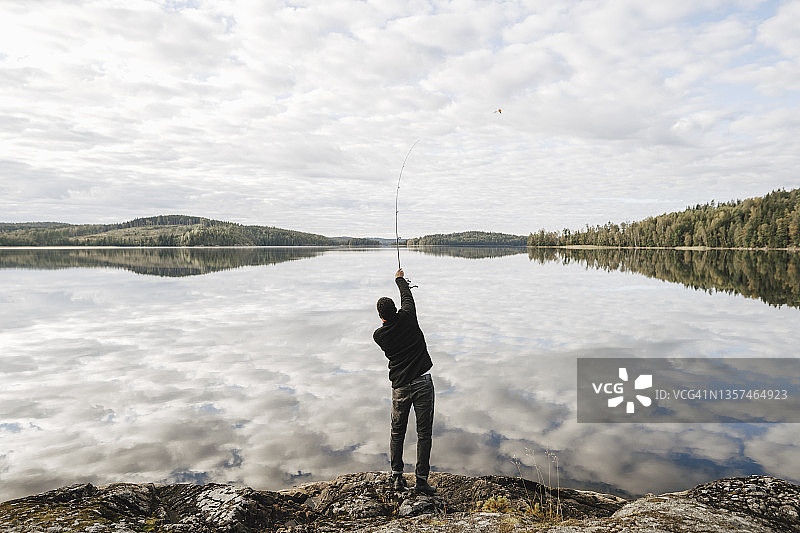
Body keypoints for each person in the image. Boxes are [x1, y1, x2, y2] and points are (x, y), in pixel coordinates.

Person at [373, 268, 437, 495]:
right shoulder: (409, 317)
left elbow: (392, 319)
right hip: (422, 383)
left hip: (400, 387)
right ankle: (421, 481)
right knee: (424, 434)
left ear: (381, 317)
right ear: (397, 311)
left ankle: (397, 478)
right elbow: (407, 298)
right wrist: (399, 280)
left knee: (397, 433)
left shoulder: (379, 335)